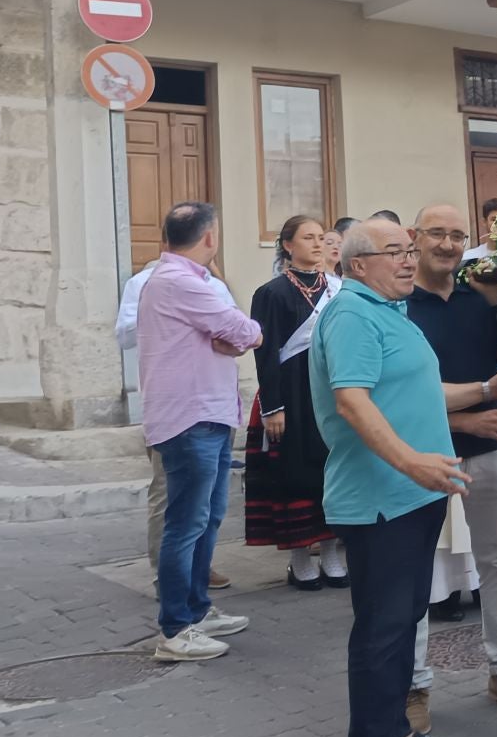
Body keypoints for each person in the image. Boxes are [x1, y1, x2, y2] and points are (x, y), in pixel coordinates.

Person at [311, 219, 475, 737]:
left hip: (414, 494)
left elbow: (422, 389)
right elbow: (351, 402)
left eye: (410, 251)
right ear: (358, 266)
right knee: (381, 628)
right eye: (396, 253)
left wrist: (487, 387)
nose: (410, 261)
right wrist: (413, 464)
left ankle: (397, 733)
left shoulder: (388, 312)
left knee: (404, 617)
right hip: (380, 498)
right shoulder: (353, 315)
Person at [406, 203, 497, 718]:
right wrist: (466, 421)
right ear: (415, 239)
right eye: (437, 234)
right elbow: (401, 395)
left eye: (458, 236)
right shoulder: (398, 303)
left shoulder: (480, 297)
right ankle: (413, 684)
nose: (448, 245)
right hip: (423, 450)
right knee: (413, 565)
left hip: (492, 448)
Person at [138, 202, 262, 662]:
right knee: (185, 523)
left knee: (206, 519)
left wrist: (234, 335)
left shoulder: (193, 281)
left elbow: (232, 332)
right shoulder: (179, 281)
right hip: (188, 417)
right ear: (209, 237)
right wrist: (241, 335)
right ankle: (175, 628)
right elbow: (243, 330)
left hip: (207, 412)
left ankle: (197, 609)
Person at [116, 252, 235, 590]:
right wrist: (174, 316)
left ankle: (199, 571)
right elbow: (124, 334)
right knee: (168, 495)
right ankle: (165, 574)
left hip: (216, 402)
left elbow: (241, 330)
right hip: (174, 407)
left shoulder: (214, 286)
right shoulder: (145, 282)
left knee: (211, 501)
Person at [244, 215, 346, 591]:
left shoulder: (337, 289)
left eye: (321, 237)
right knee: (295, 471)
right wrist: (273, 406)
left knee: (331, 468)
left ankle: (332, 551)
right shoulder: (271, 293)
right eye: (308, 238)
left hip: (330, 390)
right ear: (288, 245)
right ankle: (299, 558)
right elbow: (266, 353)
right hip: (292, 393)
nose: (318, 244)